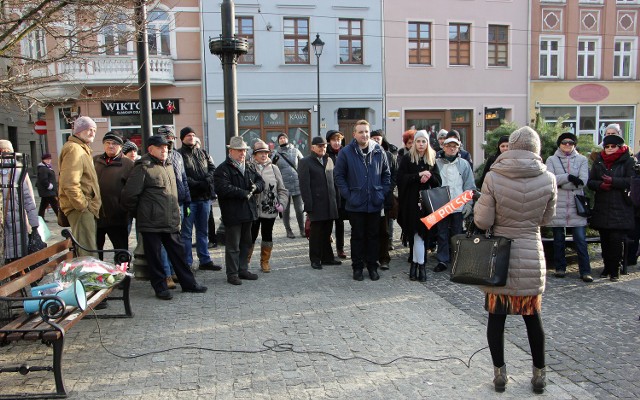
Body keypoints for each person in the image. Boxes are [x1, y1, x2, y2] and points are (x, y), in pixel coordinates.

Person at [474, 126, 557, 394]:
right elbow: (546, 220)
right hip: (531, 252)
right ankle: (539, 375)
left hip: (501, 254)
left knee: (496, 318)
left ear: (510, 147)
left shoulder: (494, 176)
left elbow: (483, 221)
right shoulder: (549, 178)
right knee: (533, 318)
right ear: (536, 149)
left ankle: (500, 374)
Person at [122, 135, 207, 300]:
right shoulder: (143, 167)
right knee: (155, 258)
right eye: (160, 147)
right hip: (151, 223)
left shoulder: (168, 165)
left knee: (179, 254)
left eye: (166, 147)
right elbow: (129, 196)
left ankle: (189, 284)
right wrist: (141, 213)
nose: (164, 150)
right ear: (150, 149)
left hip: (170, 220)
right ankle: (160, 288)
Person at [334, 120, 391, 281]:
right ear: (354, 134)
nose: (364, 135)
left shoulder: (378, 150)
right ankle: (357, 267)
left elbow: (386, 175)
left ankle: (372, 266)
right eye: (360, 132)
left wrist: (381, 193)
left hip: (374, 202)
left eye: (366, 131)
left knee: (374, 236)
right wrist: (349, 195)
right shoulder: (346, 152)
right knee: (358, 236)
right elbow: (339, 177)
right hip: (355, 203)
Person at [214, 136, 265, 285]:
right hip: (233, 213)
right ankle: (232, 273)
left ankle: (243, 269)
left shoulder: (248, 166)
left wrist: (256, 187)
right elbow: (223, 188)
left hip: (248, 211)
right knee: (233, 246)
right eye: (239, 151)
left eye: (244, 150)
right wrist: (243, 193)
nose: (242, 153)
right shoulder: (222, 169)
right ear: (231, 151)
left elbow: (260, 181)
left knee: (246, 243)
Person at [587, 134, 635, 282]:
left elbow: (631, 181)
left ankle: (615, 270)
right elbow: (591, 182)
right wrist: (600, 185)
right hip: (602, 206)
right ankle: (606, 267)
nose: (609, 149)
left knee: (616, 241)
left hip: (620, 207)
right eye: (607, 146)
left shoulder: (629, 160)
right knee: (605, 241)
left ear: (619, 147)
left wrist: (613, 181)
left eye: (612, 146)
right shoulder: (599, 161)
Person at [545, 132, 592, 282]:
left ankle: (585, 271)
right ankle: (560, 268)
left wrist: (562, 182)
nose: (567, 145)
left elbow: (583, 181)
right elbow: (550, 179)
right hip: (558, 203)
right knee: (559, 239)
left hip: (576, 203)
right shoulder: (552, 159)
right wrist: (569, 177)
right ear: (559, 144)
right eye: (564, 142)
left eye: (570, 143)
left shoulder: (582, 159)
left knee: (580, 239)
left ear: (574, 145)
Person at [396, 130, 441, 282]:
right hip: (411, 204)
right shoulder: (407, 158)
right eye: (418, 141)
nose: (421, 144)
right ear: (414, 143)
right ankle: (421, 267)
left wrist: (429, 176)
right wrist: (418, 175)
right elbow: (400, 179)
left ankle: (415, 266)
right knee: (416, 235)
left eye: (424, 141)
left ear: (428, 143)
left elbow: (438, 182)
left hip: (427, 205)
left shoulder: (432, 159)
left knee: (421, 236)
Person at [178, 126, 221, 271]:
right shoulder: (179, 155)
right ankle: (187, 263)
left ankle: (205, 260)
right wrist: (198, 184)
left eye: (193, 135)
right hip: (189, 200)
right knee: (186, 234)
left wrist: (206, 181)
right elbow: (181, 175)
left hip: (205, 198)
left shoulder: (203, 153)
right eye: (188, 135)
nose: (191, 137)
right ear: (182, 138)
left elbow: (212, 169)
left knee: (203, 231)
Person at [58, 116, 101, 257]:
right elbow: (69, 183)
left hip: (84, 208)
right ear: (78, 131)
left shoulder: (82, 148)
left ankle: (89, 277)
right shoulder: (74, 149)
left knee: (88, 249)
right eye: (89, 129)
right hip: (80, 209)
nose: (92, 133)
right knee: (87, 253)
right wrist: (82, 205)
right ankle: (88, 279)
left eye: (94, 130)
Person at [157, 125, 194, 288]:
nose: (169, 141)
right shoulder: (156, 157)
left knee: (176, 241)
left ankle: (173, 271)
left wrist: (187, 200)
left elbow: (183, 179)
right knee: (165, 242)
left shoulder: (178, 156)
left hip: (179, 202)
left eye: (172, 138)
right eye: (166, 138)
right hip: (164, 204)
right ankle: (166, 275)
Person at [433, 137, 476, 272]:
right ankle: (443, 259)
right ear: (444, 147)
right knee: (442, 233)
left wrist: (468, 204)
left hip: (458, 204)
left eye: (455, 146)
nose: (452, 148)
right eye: (449, 146)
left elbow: (469, 185)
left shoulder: (464, 164)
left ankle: (456, 259)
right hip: (442, 204)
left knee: (457, 233)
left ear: (458, 148)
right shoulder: (436, 163)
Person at [298, 136, 341, 270]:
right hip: (316, 204)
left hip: (330, 203)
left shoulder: (328, 160)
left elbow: (334, 183)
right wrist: (308, 205)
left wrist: (337, 201)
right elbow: (304, 186)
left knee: (327, 232)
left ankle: (327, 257)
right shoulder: (305, 162)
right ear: (312, 147)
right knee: (316, 234)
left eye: (324, 146)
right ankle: (315, 259)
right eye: (320, 146)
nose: (323, 148)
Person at [93, 131, 134, 261]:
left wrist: (123, 208)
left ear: (121, 147)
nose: (110, 146)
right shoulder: (95, 161)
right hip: (96, 215)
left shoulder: (128, 164)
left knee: (121, 251)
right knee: (95, 250)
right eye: (107, 143)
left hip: (118, 216)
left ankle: (123, 277)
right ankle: (97, 277)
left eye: (114, 144)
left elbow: (131, 190)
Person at [249, 140, 288, 272]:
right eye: (260, 153)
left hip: (269, 209)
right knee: (250, 236)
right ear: (254, 155)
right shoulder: (249, 167)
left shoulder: (274, 168)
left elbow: (282, 189)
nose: (263, 155)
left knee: (267, 235)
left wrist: (282, 203)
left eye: (265, 152)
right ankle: (245, 261)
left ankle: (265, 262)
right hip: (252, 209)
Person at [0, 140, 39, 263]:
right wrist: (34, 225)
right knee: (18, 255)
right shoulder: (19, 169)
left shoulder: (18, 169)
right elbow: (29, 199)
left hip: (7, 222)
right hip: (19, 222)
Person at [370, 129, 398, 270]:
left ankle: (384, 258)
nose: (376, 140)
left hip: (384, 199)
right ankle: (370, 257)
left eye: (378, 138)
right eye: (373, 138)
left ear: (382, 140)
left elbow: (394, 176)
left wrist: (385, 189)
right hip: (369, 200)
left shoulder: (389, 156)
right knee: (370, 231)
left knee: (384, 231)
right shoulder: (366, 155)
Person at [272, 133, 305, 238]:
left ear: (287, 139)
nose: (282, 139)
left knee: (299, 209)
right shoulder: (276, 154)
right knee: (286, 210)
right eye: (280, 138)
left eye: (284, 137)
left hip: (297, 183)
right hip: (283, 185)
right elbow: (272, 167)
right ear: (278, 141)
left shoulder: (295, 151)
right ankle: (288, 231)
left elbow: (304, 164)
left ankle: (302, 229)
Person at [325, 129, 348, 259]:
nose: (337, 142)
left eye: (338, 140)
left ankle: (340, 248)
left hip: (342, 193)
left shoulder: (345, 153)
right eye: (334, 140)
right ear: (329, 141)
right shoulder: (325, 154)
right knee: (328, 222)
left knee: (340, 223)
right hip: (329, 192)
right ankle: (327, 248)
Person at [36, 153, 59, 220]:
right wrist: (50, 186)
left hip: (47, 191)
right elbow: (43, 179)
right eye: (47, 159)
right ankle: (61, 218)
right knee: (55, 204)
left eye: (49, 159)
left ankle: (40, 218)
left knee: (43, 205)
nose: (49, 160)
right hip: (47, 191)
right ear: (43, 160)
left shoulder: (47, 167)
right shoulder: (43, 168)